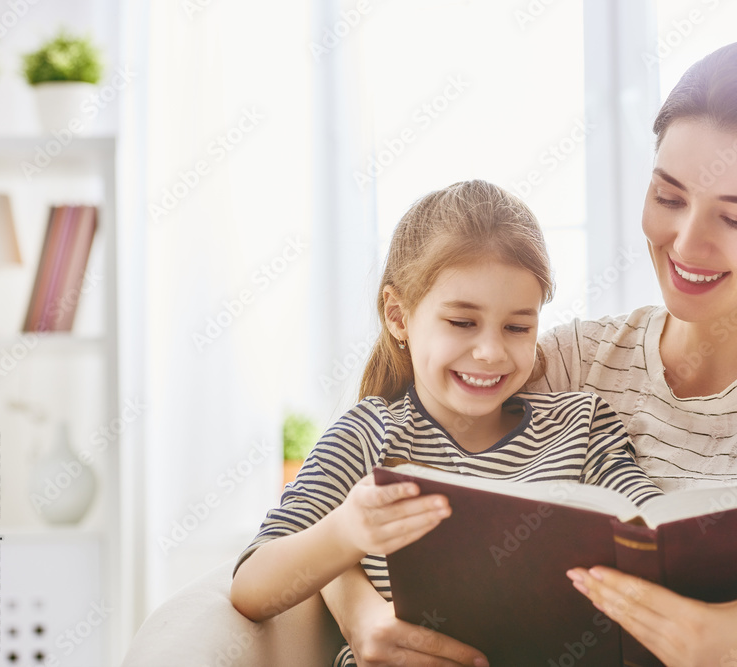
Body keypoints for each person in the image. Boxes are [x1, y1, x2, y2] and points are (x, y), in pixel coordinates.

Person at [318, 38, 737, 666]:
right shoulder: (566, 363)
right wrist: (362, 612)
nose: (685, 242)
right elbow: (366, 488)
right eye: (669, 197)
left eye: (736, 219)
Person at [229, 179, 664, 666]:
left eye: (518, 327)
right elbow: (250, 587)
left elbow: (657, 532)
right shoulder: (367, 437)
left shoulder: (581, 428)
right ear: (398, 316)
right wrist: (346, 532)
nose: (491, 352)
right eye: (462, 322)